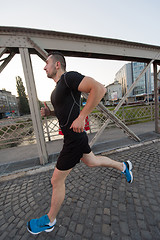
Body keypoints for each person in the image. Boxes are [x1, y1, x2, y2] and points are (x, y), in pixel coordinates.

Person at [27, 52, 133, 235]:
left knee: (56, 180)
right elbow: (66, 109)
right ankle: (124, 166)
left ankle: (49, 220)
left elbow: (100, 89)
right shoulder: (59, 86)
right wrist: (50, 113)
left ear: (57, 64)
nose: (44, 67)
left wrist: (82, 116)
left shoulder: (69, 77)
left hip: (74, 140)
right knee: (93, 161)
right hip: (74, 137)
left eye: (47, 63)